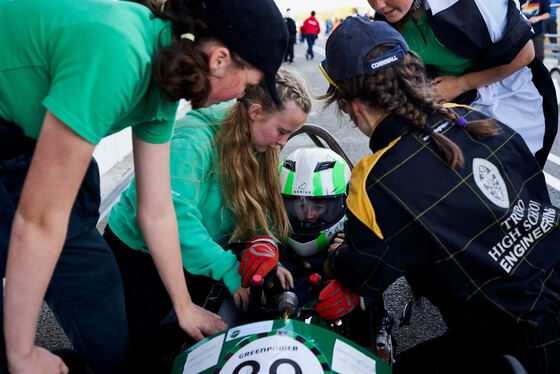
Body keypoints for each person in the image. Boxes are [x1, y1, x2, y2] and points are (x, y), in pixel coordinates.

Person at [0, 0, 289, 372]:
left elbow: (157, 207)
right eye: (247, 85)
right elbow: (40, 219)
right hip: (9, 125)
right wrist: (21, 354)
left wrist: (183, 306)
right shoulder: (117, 50)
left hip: (30, 135)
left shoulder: (167, 82)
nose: (240, 97)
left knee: (97, 288)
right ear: (218, 59)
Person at [316, 17, 560, 373]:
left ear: (352, 105)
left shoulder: (377, 181)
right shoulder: (476, 118)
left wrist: (339, 256)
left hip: (518, 345)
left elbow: (363, 276)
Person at [104, 67, 310, 373]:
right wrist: (229, 268)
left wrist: (263, 242)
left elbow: (258, 203)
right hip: (140, 254)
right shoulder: (193, 140)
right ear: (255, 112)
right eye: (282, 131)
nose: (283, 142)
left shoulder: (257, 140)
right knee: (136, 354)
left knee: (194, 334)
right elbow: (176, 220)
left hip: (200, 251)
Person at [370, 0, 558, 167]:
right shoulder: (385, 20)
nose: (379, 4)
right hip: (451, 108)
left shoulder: (472, 4)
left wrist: (461, 84)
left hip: (509, 103)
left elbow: (524, 54)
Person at [278, 147, 350, 304]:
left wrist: (346, 258)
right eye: (300, 206)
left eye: (318, 207)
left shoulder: (353, 237)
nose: (309, 215)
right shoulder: (272, 235)